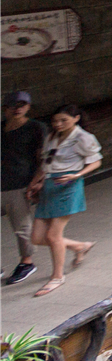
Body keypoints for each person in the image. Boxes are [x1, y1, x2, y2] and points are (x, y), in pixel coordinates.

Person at [29, 104, 101, 296]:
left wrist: (77, 175)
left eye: (64, 120)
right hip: (49, 184)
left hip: (68, 185)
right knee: (36, 237)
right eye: (55, 121)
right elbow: (46, 164)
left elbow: (96, 161)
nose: (58, 124)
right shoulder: (51, 137)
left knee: (53, 236)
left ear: (76, 118)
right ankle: (79, 246)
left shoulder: (83, 137)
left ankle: (57, 276)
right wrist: (36, 183)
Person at [2, 91, 47, 286]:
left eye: (22, 104)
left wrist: (37, 180)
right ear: (6, 109)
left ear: (28, 106)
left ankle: (26, 262)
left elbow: (45, 158)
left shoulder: (36, 128)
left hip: (20, 183)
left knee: (21, 227)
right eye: (14, 105)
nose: (18, 108)